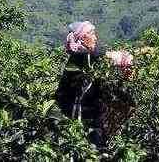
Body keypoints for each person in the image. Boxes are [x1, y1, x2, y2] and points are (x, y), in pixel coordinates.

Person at [55, 21, 134, 149]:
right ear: (82, 38)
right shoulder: (83, 55)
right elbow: (114, 57)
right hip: (76, 112)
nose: (95, 38)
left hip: (86, 110)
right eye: (92, 34)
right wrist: (130, 58)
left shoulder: (84, 55)